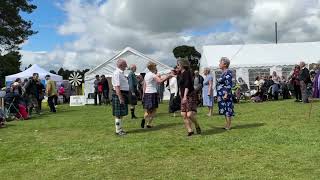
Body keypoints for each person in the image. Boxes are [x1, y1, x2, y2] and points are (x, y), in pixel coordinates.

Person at [141, 62, 172, 128]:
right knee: (154, 110)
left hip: (147, 93)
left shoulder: (146, 75)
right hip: (152, 93)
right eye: (155, 66)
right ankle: (148, 124)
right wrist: (168, 76)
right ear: (153, 67)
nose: (156, 67)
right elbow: (160, 81)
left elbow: (144, 85)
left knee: (148, 110)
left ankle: (144, 119)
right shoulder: (153, 75)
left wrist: (143, 94)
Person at [177, 58, 201, 136]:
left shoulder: (187, 73)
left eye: (178, 65)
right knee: (183, 114)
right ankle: (190, 130)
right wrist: (181, 94)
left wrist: (184, 96)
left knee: (189, 114)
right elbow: (180, 86)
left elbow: (187, 85)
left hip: (189, 95)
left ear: (182, 65)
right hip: (183, 95)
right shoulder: (180, 74)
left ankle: (197, 125)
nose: (177, 66)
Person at [112, 59, 130, 136]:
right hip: (120, 94)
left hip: (123, 94)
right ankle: (118, 130)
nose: (126, 66)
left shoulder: (121, 73)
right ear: (121, 65)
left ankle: (119, 129)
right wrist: (120, 97)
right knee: (118, 114)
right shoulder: (117, 73)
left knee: (121, 114)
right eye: (125, 64)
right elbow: (117, 87)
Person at [217, 57, 234, 130]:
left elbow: (229, 84)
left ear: (225, 64)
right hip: (222, 94)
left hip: (225, 94)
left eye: (220, 63)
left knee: (227, 109)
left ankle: (228, 125)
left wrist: (226, 94)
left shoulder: (228, 72)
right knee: (224, 109)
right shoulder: (223, 73)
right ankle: (227, 124)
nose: (219, 64)